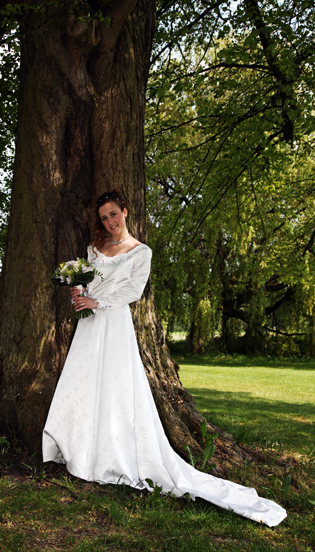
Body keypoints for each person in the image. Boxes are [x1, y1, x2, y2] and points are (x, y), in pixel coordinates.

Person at [42, 189, 286, 527]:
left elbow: (133, 291)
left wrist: (98, 303)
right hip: (89, 328)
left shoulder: (141, 252)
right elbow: (91, 284)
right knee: (83, 383)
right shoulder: (94, 250)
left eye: (114, 214)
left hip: (114, 325)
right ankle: (79, 451)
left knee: (114, 387)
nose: (110, 222)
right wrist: (79, 292)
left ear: (125, 212)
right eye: (104, 218)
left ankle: (110, 454)